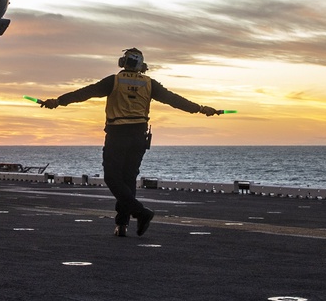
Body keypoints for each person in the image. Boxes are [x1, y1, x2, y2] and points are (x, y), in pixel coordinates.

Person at [40, 48, 220, 238]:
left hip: (118, 133)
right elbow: (174, 100)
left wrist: (58, 101)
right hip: (139, 136)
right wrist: (200, 109)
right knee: (128, 178)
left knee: (111, 177)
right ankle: (122, 225)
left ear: (122, 62)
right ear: (142, 65)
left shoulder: (114, 81)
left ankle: (140, 213)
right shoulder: (150, 84)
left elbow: (86, 92)